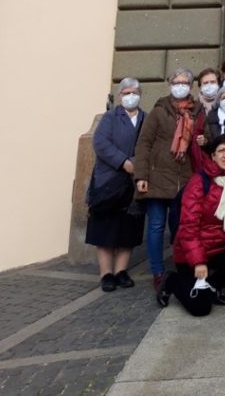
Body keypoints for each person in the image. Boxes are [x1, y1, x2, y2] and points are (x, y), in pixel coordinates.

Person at [156, 134, 225, 316]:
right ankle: (171, 281)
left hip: (220, 248)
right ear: (213, 156)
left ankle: (212, 287)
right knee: (200, 308)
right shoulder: (199, 182)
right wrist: (198, 262)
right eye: (221, 151)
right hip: (192, 253)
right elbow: (188, 227)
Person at [135, 68, 202, 291]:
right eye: (176, 82)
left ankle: (180, 267)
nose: (180, 85)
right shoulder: (159, 111)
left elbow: (206, 140)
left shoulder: (197, 111)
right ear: (170, 84)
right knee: (155, 226)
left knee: (181, 228)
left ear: (191, 86)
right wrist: (141, 175)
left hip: (184, 179)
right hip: (157, 176)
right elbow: (144, 143)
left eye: (185, 82)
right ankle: (157, 271)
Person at [86, 78, 146, 292]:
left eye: (135, 92)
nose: (131, 96)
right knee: (106, 229)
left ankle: (121, 270)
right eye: (126, 92)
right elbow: (100, 143)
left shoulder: (146, 118)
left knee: (128, 228)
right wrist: (124, 162)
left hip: (133, 183)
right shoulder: (110, 117)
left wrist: (136, 164)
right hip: (109, 181)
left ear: (140, 94)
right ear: (120, 95)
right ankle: (106, 273)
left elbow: (150, 146)